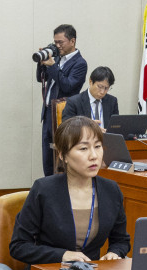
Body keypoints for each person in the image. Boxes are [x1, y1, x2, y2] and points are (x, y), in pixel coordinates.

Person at [10, 116, 129, 269]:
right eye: (83, 148)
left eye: (98, 146)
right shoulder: (44, 190)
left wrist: (115, 252)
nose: (94, 156)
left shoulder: (111, 190)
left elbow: (121, 240)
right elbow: (19, 246)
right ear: (62, 155)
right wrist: (62, 255)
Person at [37, 23, 87, 177]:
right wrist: (42, 63)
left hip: (64, 115)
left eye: (61, 42)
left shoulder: (80, 63)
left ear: (72, 41)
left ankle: (62, 190)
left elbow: (68, 86)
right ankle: (48, 188)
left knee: (61, 156)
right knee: (47, 156)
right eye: (55, 42)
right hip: (47, 113)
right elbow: (41, 79)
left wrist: (53, 67)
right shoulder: (57, 57)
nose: (57, 46)